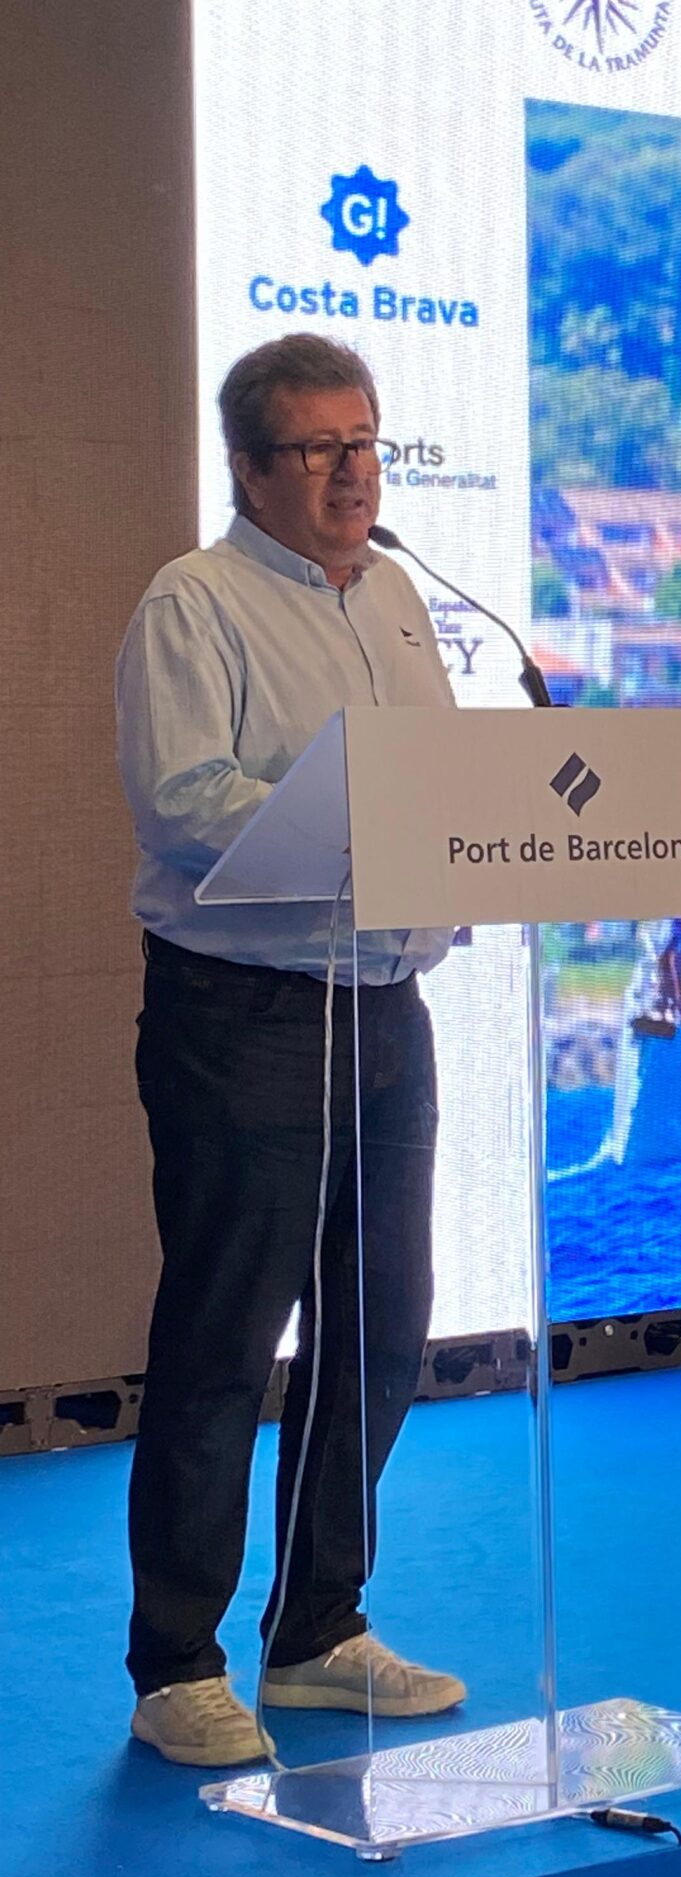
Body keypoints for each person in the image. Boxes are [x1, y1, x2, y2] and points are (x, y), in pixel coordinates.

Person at [115, 334, 466, 1768]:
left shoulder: (398, 598)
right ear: (252, 469)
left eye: (365, 443)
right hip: (244, 1016)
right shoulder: (192, 604)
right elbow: (184, 798)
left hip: (384, 1008)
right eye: (320, 450)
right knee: (221, 1344)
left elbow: (442, 783)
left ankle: (318, 1629)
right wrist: (363, 819)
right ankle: (176, 1664)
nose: (352, 474)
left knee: (379, 1334)